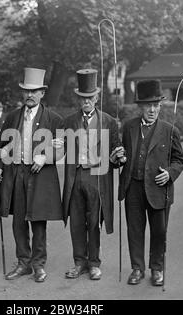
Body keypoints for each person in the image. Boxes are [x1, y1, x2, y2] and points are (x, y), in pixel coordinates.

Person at [0, 67, 64, 283]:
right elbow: (0, 146)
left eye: (34, 91)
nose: (30, 95)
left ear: (42, 93)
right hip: (16, 175)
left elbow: (62, 149)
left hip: (40, 177)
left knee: (38, 222)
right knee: (18, 223)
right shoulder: (12, 117)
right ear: (22, 93)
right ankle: (23, 263)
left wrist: (46, 157)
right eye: (26, 91)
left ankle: (38, 265)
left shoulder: (54, 120)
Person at [118, 79, 183, 286]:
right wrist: (118, 158)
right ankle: (137, 268)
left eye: (156, 105)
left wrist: (170, 174)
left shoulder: (169, 130)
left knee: (159, 231)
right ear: (140, 107)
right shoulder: (128, 127)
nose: (152, 109)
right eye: (148, 105)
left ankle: (157, 269)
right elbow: (121, 157)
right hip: (133, 188)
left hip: (159, 188)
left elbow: (179, 160)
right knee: (134, 230)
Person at [62, 69, 124, 280]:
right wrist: (55, 147)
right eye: (82, 98)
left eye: (90, 97)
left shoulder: (108, 121)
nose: (86, 101)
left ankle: (94, 263)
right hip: (76, 176)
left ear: (96, 98)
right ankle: (79, 262)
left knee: (94, 221)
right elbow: (61, 149)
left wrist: (118, 156)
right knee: (77, 221)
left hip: (98, 177)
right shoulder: (69, 122)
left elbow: (116, 151)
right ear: (78, 99)